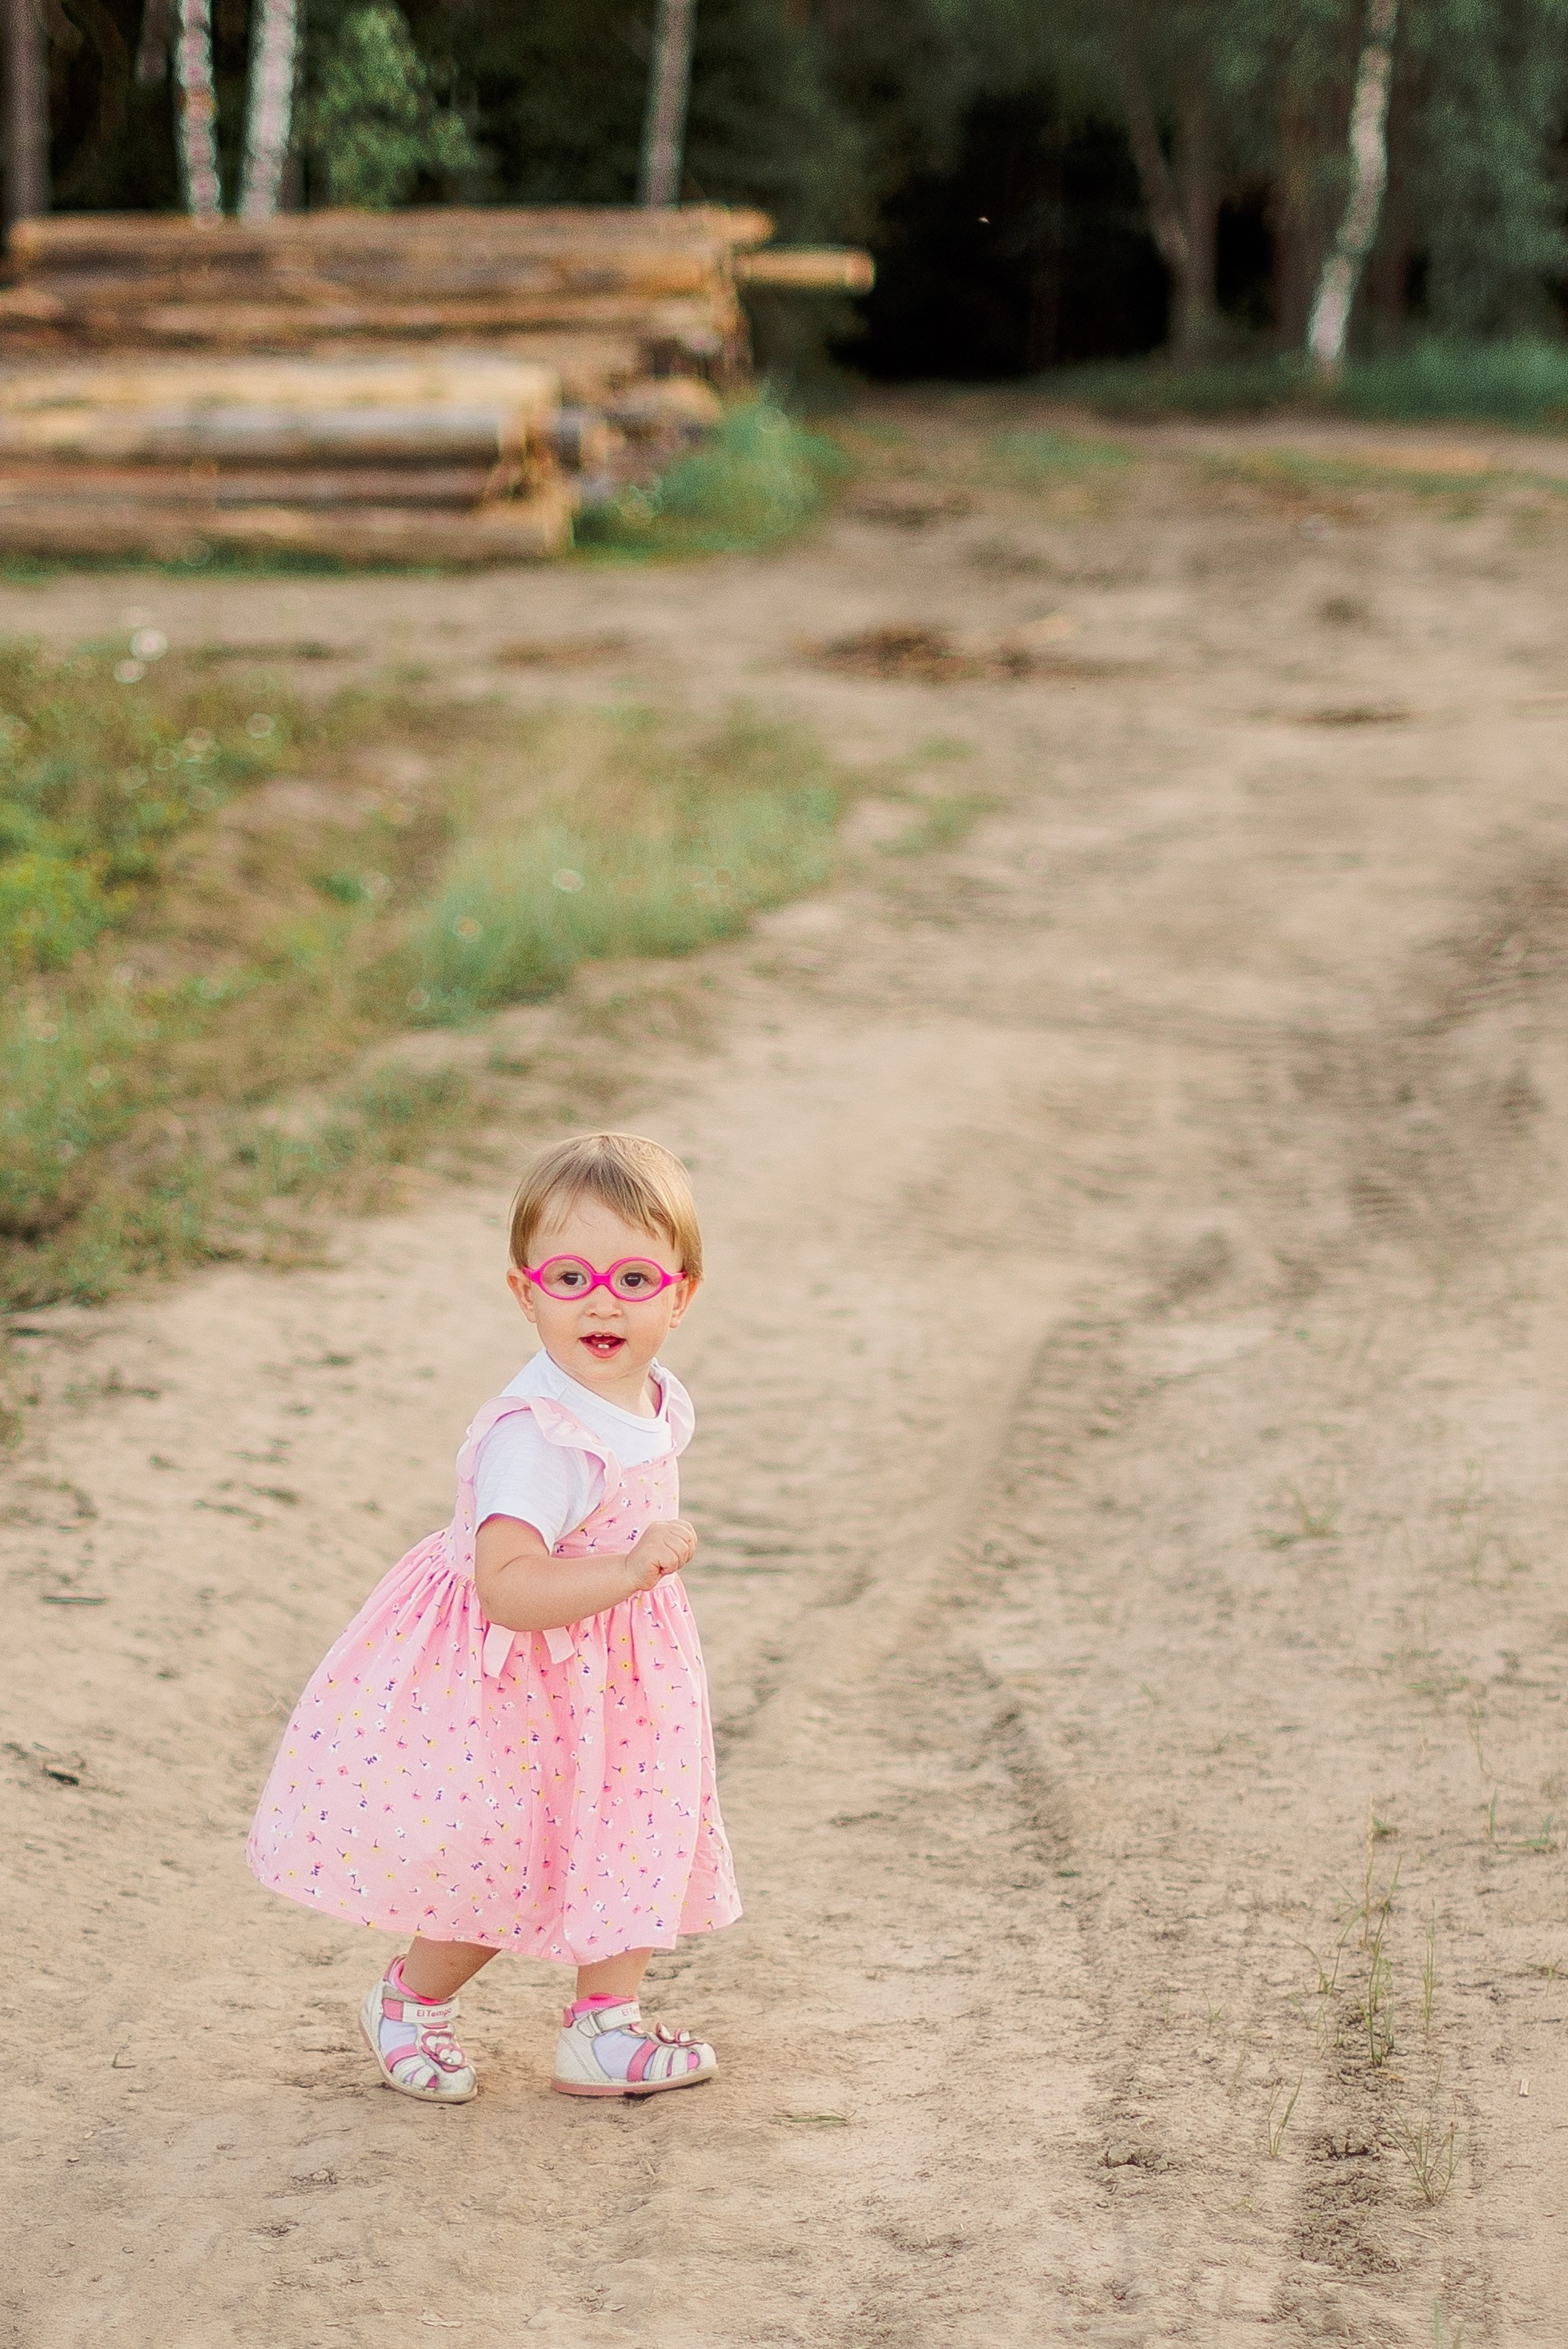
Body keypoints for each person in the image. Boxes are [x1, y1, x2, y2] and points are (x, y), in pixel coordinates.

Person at [247, 1130, 740, 2102]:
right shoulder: (541, 1441)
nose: (604, 1300)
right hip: (522, 1671)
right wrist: (632, 1568)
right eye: (571, 1276)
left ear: (681, 1296)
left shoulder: (642, 1395)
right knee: (504, 1852)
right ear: (525, 1293)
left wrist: (630, 1587)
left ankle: (605, 2026)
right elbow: (506, 1586)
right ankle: (409, 2004)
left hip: (619, 1673)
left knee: (639, 1825)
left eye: (636, 1277)